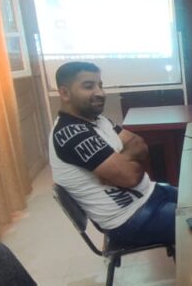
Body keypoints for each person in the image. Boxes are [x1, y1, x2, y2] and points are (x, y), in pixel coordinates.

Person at [49, 61, 177, 246]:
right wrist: (125, 166)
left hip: (150, 194)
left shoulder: (99, 120)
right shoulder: (71, 134)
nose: (100, 93)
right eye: (88, 86)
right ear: (64, 93)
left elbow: (139, 145)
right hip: (130, 220)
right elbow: (131, 177)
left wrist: (118, 163)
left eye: (100, 85)